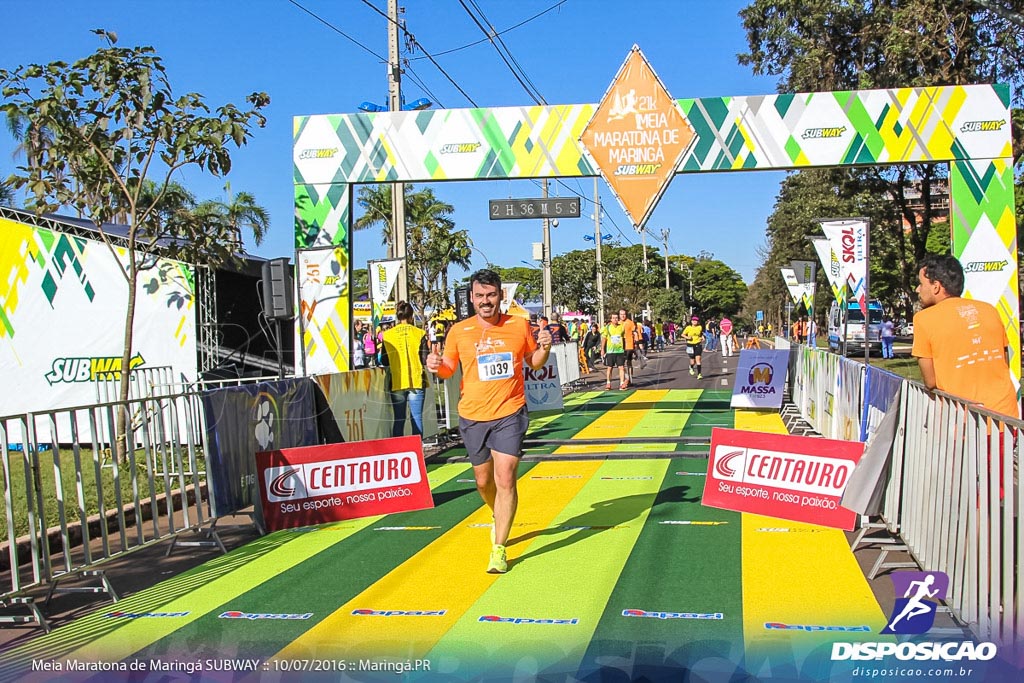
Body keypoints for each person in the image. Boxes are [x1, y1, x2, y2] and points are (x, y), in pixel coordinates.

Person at [426, 269, 553, 574]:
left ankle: (499, 548)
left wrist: (545, 347)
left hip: (510, 411)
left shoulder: (519, 326)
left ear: (500, 296)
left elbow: (534, 363)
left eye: (491, 295)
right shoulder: (458, 331)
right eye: (480, 296)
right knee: (484, 481)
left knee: (506, 476)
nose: (486, 301)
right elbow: (448, 369)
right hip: (472, 416)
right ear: (472, 298)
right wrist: (435, 366)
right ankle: (498, 513)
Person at [911, 254, 1018, 419]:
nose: (918, 289)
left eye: (921, 283)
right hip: (1005, 416)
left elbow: (930, 381)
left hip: (963, 421)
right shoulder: (990, 310)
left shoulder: (923, 319)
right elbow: (1004, 362)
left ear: (936, 286)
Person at [382, 302, 429, 437]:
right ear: (411, 316)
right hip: (416, 380)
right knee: (417, 419)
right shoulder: (419, 333)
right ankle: (417, 454)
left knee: (399, 419)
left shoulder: (387, 335)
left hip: (397, 381)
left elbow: (384, 360)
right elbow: (424, 359)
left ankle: (398, 453)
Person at [602, 312, 628, 390]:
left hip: (619, 351)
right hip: (610, 351)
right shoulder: (607, 327)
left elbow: (624, 338)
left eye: (616, 318)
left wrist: (625, 349)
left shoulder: (621, 327)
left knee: (621, 367)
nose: (615, 319)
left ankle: (622, 383)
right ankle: (608, 383)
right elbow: (604, 338)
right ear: (611, 319)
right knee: (610, 368)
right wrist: (602, 349)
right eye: (613, 318)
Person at [682, 315, 704, 379]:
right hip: (690, 345)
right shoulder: (688, 328)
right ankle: (691, 367)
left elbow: (701, 334)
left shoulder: (699, 327)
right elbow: (682, 334)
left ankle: (699, 374)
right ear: (691, 321)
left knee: (698, 360)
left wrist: (702, 337)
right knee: (692, 361)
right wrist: (687, 337)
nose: (695, 322)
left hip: (698, 344)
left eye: (696, 321)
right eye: (693, 320)